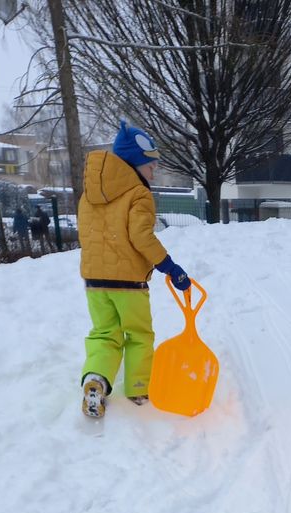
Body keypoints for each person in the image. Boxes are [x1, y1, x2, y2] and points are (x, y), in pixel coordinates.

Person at [76, 119, 192, 418]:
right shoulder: (138, 194)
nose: (154, 171)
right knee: (139, 334)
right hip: (128, 283)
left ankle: (96, 380)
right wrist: (168, 266)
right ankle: (139, 389)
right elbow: (141, 236)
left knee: (104, 334)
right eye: (150, 165)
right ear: (134, 163)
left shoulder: (88, 194)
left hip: (94, 282)